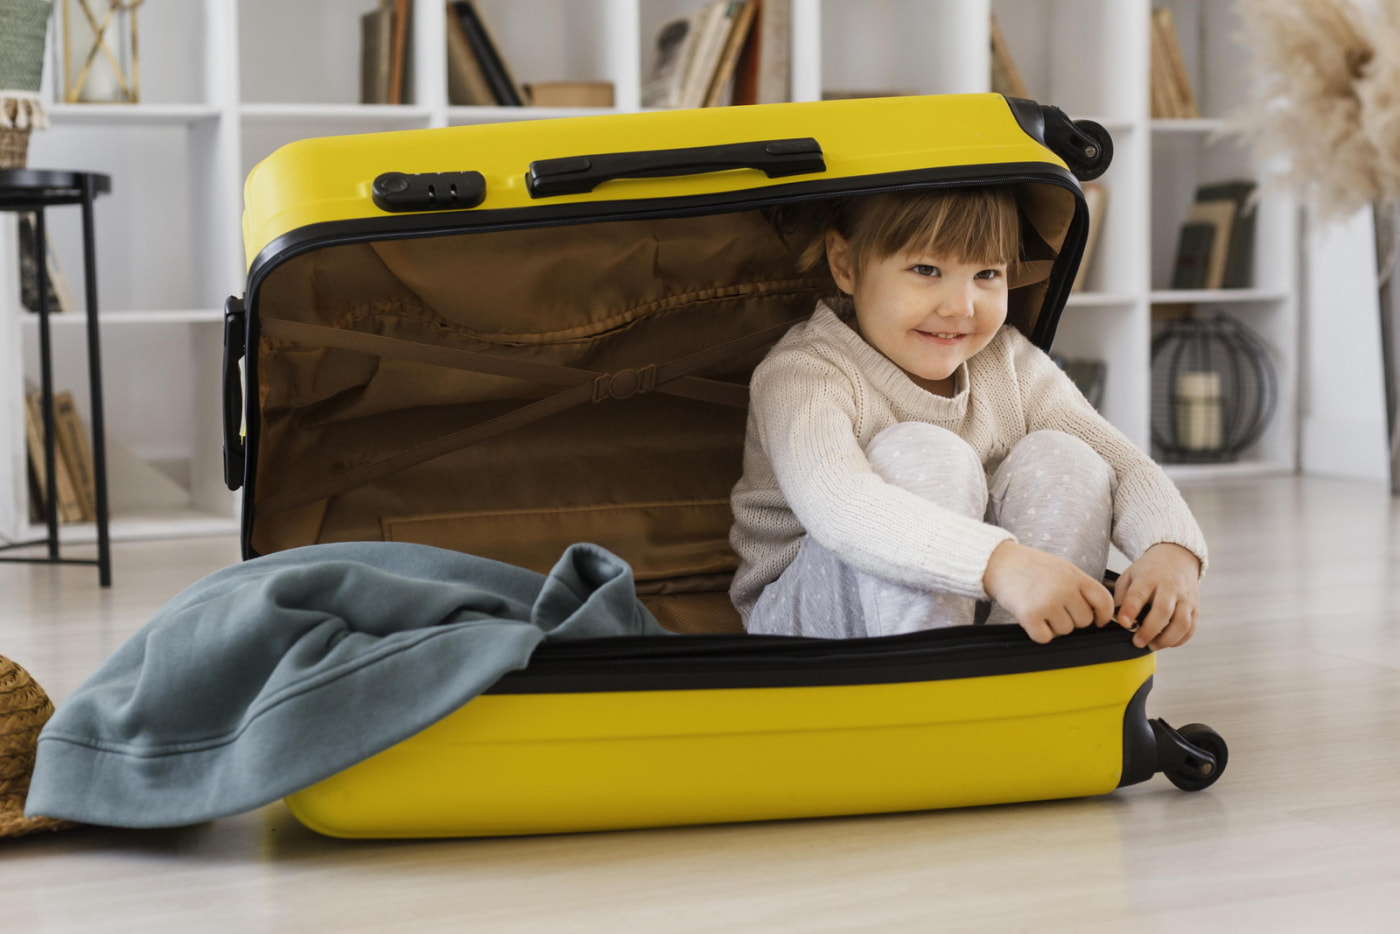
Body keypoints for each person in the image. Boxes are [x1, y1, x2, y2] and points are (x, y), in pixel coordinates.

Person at [729, 186, 1207, 649]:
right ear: (844, 265)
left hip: (978, 601)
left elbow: (1125, 466)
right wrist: (999, 564)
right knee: (925, 452)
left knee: (1069, 456)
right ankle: (935, 685)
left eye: (986, 274)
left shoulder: (1009, 362)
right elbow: (841, 507)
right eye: (926, 269)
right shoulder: (804, 373)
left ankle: (1027, 669)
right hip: (808, 623)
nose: (961, 307)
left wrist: (1171, 550)